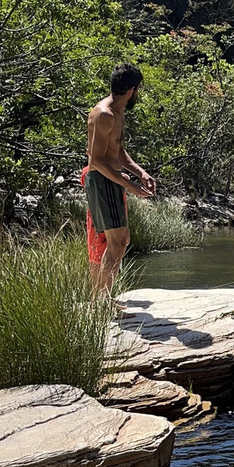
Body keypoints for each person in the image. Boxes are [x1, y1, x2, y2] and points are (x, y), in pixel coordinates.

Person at [84, 63, 156, 296]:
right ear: (131, 90)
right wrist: (129, 185)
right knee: (116, 243)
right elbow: (95, 160)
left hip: (111, 180)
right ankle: (102, 303)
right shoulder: (104, 114)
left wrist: (140, 173)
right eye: (138, 91)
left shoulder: (117, 111)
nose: (138, 95)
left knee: (122, 240)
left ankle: (103, 299)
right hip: (102, 180)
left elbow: (117, 150)